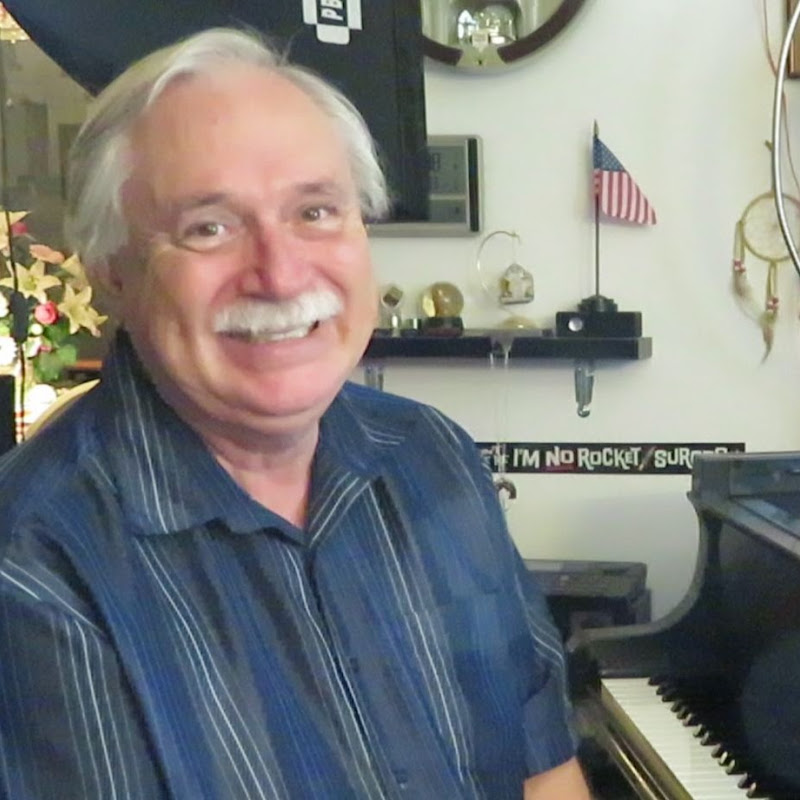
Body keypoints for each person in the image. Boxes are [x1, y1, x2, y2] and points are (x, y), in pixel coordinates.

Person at [0, 28, 591, 800]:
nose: (280, 275)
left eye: (315, 211)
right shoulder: (32, 560)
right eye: (209, 227)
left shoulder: (432, 455)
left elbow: (542, 769)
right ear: (113, 271)